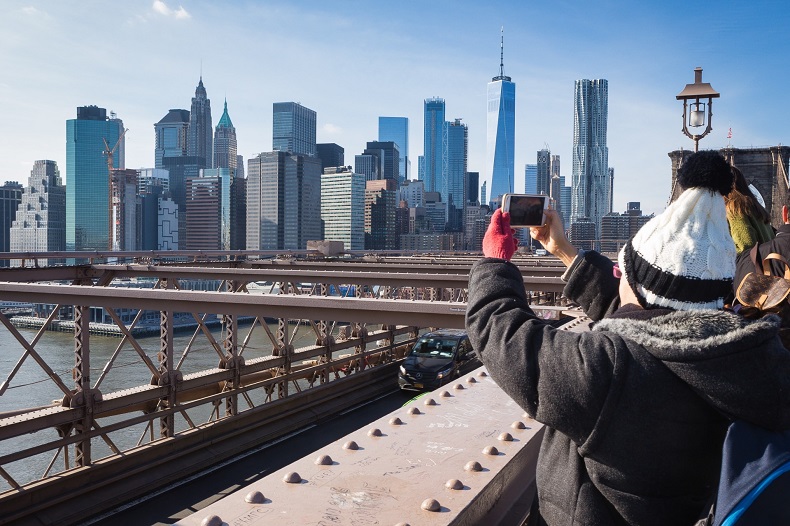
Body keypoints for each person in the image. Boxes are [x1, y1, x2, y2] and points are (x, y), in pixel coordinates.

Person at [465, 150, 790, 526]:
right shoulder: (749, 362)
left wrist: (495, 262)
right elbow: (655, 322)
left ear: (633, 286)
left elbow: (502, 333)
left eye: (624, 275)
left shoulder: (607, 374)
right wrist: (565, 252)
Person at [726, 165, 774, 255]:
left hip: (751, 267)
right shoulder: (755, 206)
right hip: (768, 265)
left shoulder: (735, 207)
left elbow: (745, 246)